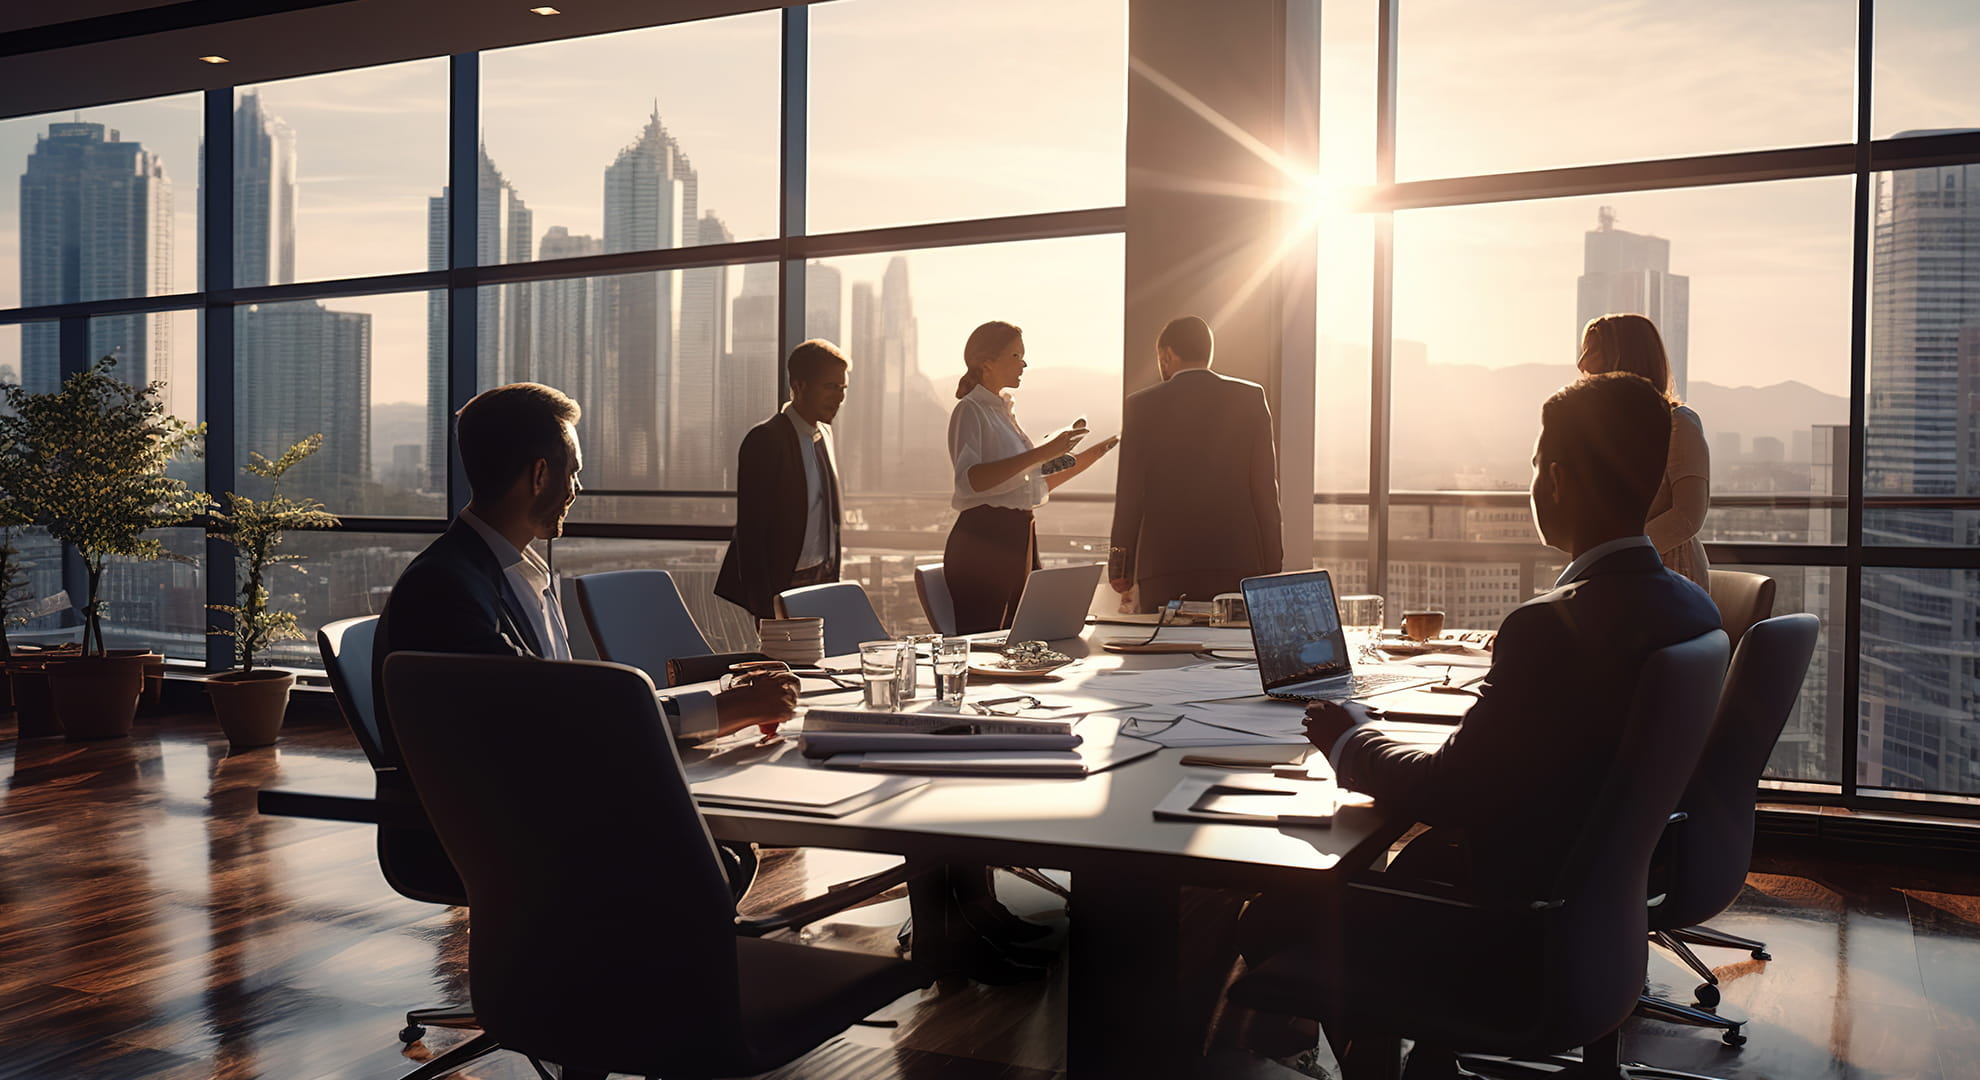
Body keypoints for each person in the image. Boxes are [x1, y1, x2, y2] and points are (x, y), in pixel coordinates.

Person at [1228, 373, 1721, 1072]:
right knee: (1405, 865)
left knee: (1274, 917)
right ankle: (1429, 1064)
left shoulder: (1552, 626)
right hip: (1595, 922)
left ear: (1556, 480)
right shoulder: (1690, 610)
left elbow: (1450, 791)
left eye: (1533, 466)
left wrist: (1348, 737)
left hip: (1512, 934)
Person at [373, 383, 798, 763]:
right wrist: (726, 710)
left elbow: (569, 704)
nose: (576, 489)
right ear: (540, 475)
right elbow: (556, 717)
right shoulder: (444, 589)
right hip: (501, 839)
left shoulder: (511, 572)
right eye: (573, 472)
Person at [943, 320, 1120, 634]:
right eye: (1015, 356)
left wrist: (1092, 455)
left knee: (1020, 636)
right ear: (987, 363)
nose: (1024, 363)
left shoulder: (1004, 412)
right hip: (984, 541)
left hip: (1018, 536)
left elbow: (1033, 482)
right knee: (987, 641)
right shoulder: (970, 411)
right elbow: (971, 481)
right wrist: (1044, 452)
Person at [1108, 315, 1282, 610]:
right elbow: (1265, 489)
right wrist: (1272, 561)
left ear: (1167, 355)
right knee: (1233, 653)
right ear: (1208, 352)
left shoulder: (1141, 406)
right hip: (1237, 562)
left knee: (1166, 652)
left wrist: (1120, 566)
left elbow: (1130, 494)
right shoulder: (1251, 397)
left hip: (1164, 564)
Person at [716, 339, 849, 619]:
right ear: (799, 386)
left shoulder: (824, 435)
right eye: (830, 387)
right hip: (783, 586)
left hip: (822, 581)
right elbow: (751, 536)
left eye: (842, 388)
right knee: (784, 663)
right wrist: (765, 607)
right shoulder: (765, 440)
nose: (839, 397)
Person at [1577, 313, 1710, 590]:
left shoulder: (1678, 424)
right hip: (1610, 571)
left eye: (1593, 350)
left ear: (1625, 358)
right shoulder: (1602, 431)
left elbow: (1688, 516)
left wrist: (1620, 552)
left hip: (1667, 574)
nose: (1582, 363)